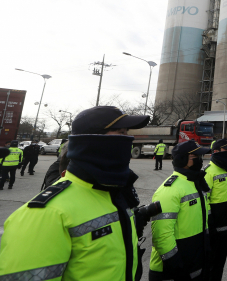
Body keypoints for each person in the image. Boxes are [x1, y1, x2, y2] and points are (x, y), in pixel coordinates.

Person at [0, 106, 150, 280]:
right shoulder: (46, 214)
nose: (128, 140)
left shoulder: (114, 195)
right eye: (120, 133)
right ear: (91, 141)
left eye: (127, 133)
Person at [149, 140, 211, 281]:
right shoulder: (169, 190)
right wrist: (177, 267)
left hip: (193, 265)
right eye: (196, 157)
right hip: (172, 272)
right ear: (183, 159)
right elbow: (162, 237)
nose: (200, 160)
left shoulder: (195, 184)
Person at [203, 139, 227, 281]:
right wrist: (210, 221)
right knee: (211, 264)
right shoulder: (208, 172)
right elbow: (204, 200)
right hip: (214, 228)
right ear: (216, 151)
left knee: (220, 263)